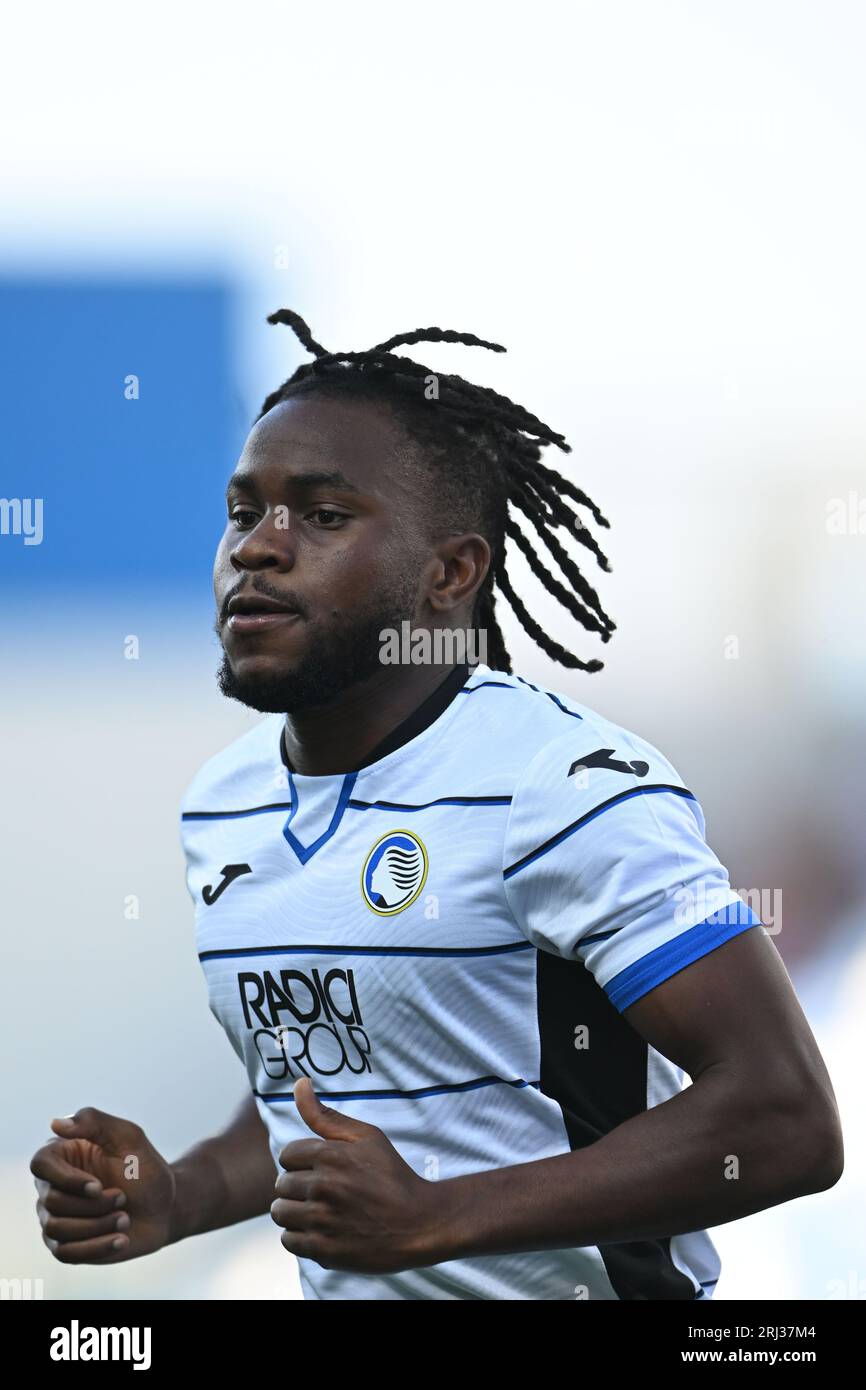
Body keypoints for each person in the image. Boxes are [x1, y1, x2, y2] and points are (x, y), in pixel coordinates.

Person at [32, 312, 843, 1300]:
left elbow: (783, 1119)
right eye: (243, 512)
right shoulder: (224, 804)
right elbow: (325, 1088)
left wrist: (437, 1215)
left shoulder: (562, 783)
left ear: (449, 573)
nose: (258, 548)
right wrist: (175, 1193)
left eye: (323, 516)